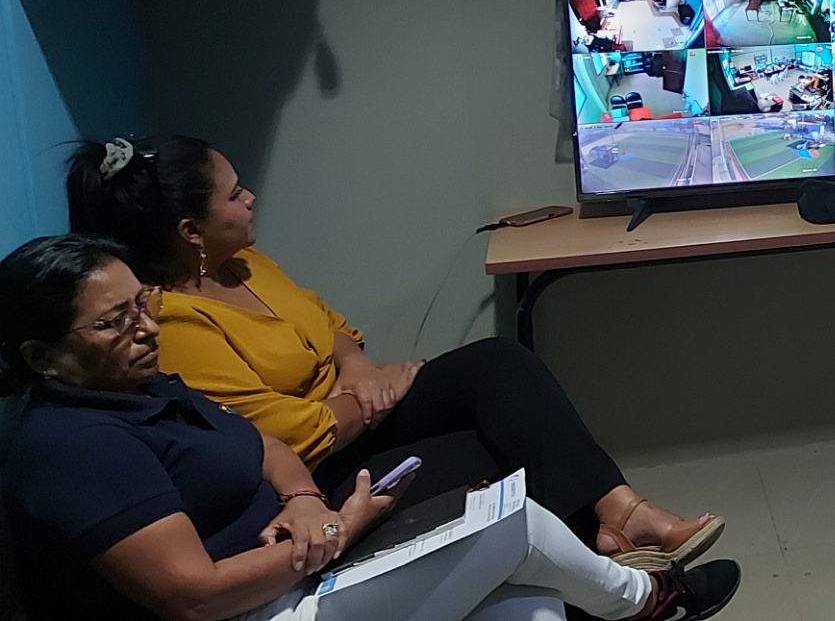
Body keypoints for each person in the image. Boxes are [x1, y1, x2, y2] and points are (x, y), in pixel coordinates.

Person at [0, 234, 740, 621]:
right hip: (262, 608)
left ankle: (629, 585)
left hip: (302, 565)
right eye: (113, 321)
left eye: (142, 303)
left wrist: (304, 502)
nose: (145, 326)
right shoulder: (73, 446)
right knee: (513, 523)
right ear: (42, 356)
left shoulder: (142, 385)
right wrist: (337, 532)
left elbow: (264, 445)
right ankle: (646, 600)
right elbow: (192, 598)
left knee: (532, 606)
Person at [65, 137, 723, 569]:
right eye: (234, 194)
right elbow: (290, 433)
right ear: (191, 231)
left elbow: (333, 327)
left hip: (358, 409)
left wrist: (357, 369)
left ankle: (622, 516)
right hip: (317, 471)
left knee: (501, 365)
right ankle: (622, 581)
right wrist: (373, 392)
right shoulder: (174, 324)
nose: (250, 197)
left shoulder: (242, 264)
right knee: (495, 450)